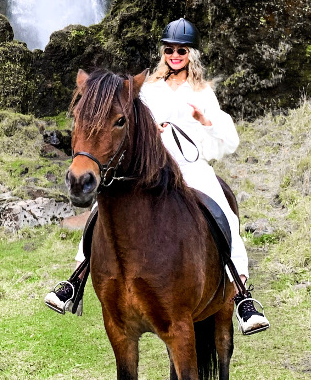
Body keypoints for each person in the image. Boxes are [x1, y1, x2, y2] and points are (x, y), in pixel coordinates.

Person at [45, 18, 270, 335]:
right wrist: (151, 130)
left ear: (190, 54)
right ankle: (77, 277)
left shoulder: (203, 92)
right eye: (170, 49)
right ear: (164, 52)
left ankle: (243, 298)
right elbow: (129, 122)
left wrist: (205, 119)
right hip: (154, 166)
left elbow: (229, 140)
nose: (175, 54)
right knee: (101, 210)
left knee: (225, 215)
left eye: (181, 50)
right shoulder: (149, 88)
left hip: (191, 166)